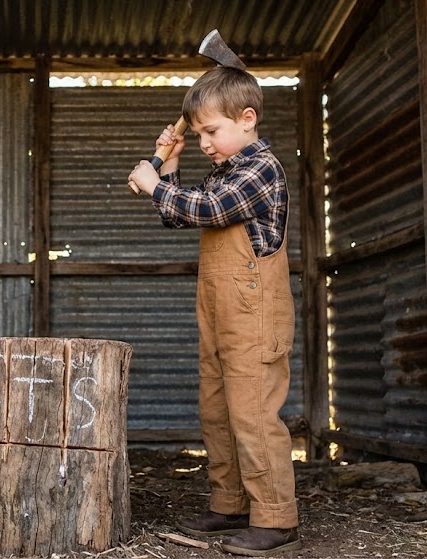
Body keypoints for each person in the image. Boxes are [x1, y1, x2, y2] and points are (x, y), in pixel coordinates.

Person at [128, 65, 301, 557]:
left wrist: (155, 184)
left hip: (255, 312)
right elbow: (178, 214)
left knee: (253, 412)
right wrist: (169, 167)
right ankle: (230, 504)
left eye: (211, 131)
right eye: (198, 133)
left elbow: (207, 210)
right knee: (218, 408)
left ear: (247, 119)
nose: (204, 141)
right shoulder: (227, 168)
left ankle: (275, 516)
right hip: (220, 310)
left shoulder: (260, 169)